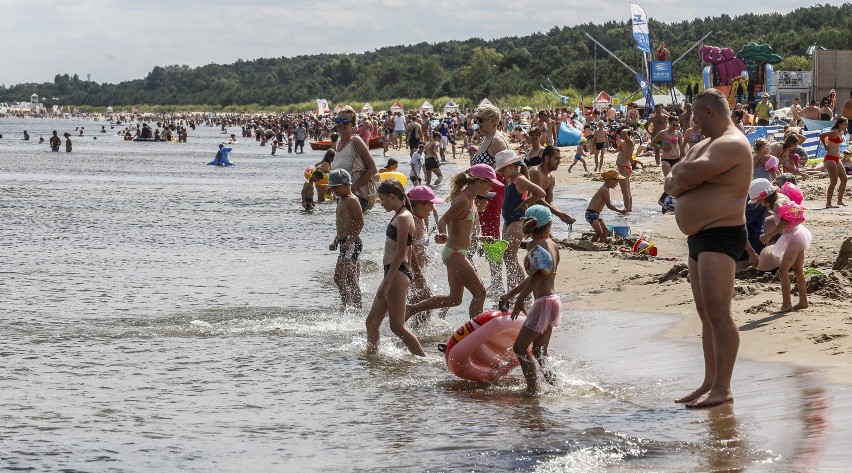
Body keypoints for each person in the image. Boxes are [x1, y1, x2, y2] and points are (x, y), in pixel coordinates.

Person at [663, 88, 753, 409]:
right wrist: (682, 179)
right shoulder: (702, 145)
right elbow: (672, 180)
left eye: (696, 114)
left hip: (721, 234)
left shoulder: (732, 143)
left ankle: (723, 388)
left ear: (709, 112)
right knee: (704, 314)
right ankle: (709, 381)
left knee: (719, 314)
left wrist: (684, 178)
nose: (693, 120)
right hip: (698, 238)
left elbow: (684, 174)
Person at [405, 164, 500, 321]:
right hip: (455, 254)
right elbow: (443, 220)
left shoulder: (471, 199)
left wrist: (481, 239)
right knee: (480, 292)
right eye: (490, 183)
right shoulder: (463, 200)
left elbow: (463, 231)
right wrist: (442, 233)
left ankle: (411, 309)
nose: (491, 187)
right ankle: (476, 330)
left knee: (454, 299)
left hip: (457, 252)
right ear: (481, 181)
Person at [499, 205, 561, 394]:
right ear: (549, 224)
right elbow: (536, 274)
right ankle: (556, 385)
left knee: (520, 348)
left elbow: (537, 276)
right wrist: (511, 294)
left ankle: (533, 390)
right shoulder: (552, 244)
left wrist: (520, 301)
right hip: (553, 301)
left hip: (542, 303)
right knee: (540, 352)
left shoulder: (535, 245)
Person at [365, 179, 426, 357]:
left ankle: (423, 358)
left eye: (383, 200)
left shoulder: (404, 217)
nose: (382, 204)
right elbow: (408, 250)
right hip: (394, 272)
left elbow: (401, 253)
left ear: (393, 197)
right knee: (371, 322)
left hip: (396, 273)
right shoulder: (401, 215)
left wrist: (387, 282)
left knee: (397, 326)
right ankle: (372, 358)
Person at [750, 178, 811, 312]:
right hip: (798, 233)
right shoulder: (781, 197)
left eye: (759, 201)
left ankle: (787, 304)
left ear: (765, 196)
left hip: (792, 237)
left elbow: (785, 221)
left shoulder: (777, 204)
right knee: (798, 270)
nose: (759, 204)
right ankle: (803, 301)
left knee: (783, 271)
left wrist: (769, 234)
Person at [470, 103, 511, 294]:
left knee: (491, 233)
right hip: (483, 193)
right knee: (483, 231)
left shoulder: (497, 141)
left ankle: (496, 281)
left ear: (493, 121)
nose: (477, 123)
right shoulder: (487, 139)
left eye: (481, 120)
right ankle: (492, 279)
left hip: (493, 192)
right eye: (477, 119)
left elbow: (508, 169)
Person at [495, 150, 547, 292]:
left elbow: (541, 193)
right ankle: (512, 289)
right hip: (508, 221)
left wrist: (525, 202)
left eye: (501, 169)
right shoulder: (510, 180)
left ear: (511, 166)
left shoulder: (520, 179)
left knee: (510, 256)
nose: (500, 173)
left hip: (517, 221)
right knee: (507, 257)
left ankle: (521, 290)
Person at [328, 169, 364, 310]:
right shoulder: (341, 200)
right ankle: (353, 306)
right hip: (344, 241)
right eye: (332, 187)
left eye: (336, 187)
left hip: (352, 242)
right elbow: (343, 225)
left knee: (339, 277)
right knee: (350, 278)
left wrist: (350, 241)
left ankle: (348, 305)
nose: (334, 190)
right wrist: (336, 241)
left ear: (345, 184)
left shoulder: (352, 200)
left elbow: (360, 222)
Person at [407, 186, 444, 323]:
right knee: (427, 302)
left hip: (417, 271)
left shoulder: (420, 219)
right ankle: (415, 333)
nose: (433, 207)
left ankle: (412, 331)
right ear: (421, 204)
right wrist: (417, 274)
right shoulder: (412, 223)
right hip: (412, 272)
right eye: (431, 203)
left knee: (418, 304)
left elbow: (420, 247)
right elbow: (408, 251)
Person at [330, 106, 379, 211]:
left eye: (345, 121)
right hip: (342, 196)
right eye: (338, 120)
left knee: (349, 227)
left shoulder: (356, 141)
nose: (341, 124)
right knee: (342, 227)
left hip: (357, 196)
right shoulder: (336, 143)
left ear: (353, 124)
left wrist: (355, 186)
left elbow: (373, 169)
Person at [528, 146, 577, 227]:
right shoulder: (536, 172)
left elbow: (549, 201)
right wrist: (558, 214)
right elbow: (537, 199)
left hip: (535, 212)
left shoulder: (551, 179)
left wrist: (561, 214)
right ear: (546, 158)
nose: (559, 162)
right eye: (556, 158)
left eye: (559, 158)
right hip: (524, 211)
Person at [586, 170, 628, 242]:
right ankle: (590, 245)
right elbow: (609, 205)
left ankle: (600, 244)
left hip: (597, 214)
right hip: (591, 213)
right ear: (611, 179)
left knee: (605, 231)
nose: (617, 184)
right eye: (617, 181)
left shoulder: (606, 189)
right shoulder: (604, 190)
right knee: (599, 232)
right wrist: (619, 210)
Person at [819, 117, 848, 207]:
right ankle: (828, 203)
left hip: (837, 158)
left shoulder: (841, 132)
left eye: (847, 124)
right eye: (845, 124)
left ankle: (839, 201)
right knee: (834, 181)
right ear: (839, 124)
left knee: (844, 179)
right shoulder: (834, 132)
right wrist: (825, 145)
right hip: (830, 158)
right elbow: (821, 135)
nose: (846, 126)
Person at [614, 126, 635, 212]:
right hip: (624, 166)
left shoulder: (629, 141)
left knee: (625, 192)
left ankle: (627, 210)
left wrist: (630, 129)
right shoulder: (627, 142)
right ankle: (629, 210)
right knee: (627, 191)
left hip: (624, 167)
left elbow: (623, 132)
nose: (621, 135)